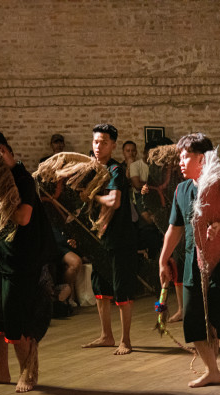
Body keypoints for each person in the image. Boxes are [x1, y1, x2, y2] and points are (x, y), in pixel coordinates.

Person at [158, 133, 220, 387]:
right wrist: (163, 260)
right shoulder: (181, 190)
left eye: (185, 157)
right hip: (193, 259)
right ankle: (212, 371)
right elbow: (175, 229)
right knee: (192, 319)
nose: (180, 162)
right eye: (180, 157)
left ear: (202, 158)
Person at [0, 130, 55, 392]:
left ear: (9, 152)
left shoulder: (22, 179)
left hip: (23, 260)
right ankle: (2, 369)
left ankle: (27, 372)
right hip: (1, 257)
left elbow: (23, 217)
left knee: (18, 322)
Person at [81, 124, 138, 356]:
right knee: (101, 289)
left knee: (121, 289)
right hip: (99, 239)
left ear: (113, 145)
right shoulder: (91, 169)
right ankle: (106, 335)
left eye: (104, 142)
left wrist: (93, 195)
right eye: (96, 141)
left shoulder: (115, 170)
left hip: (119, 239)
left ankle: (126, 340)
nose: (99, 146)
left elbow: (114, 201)